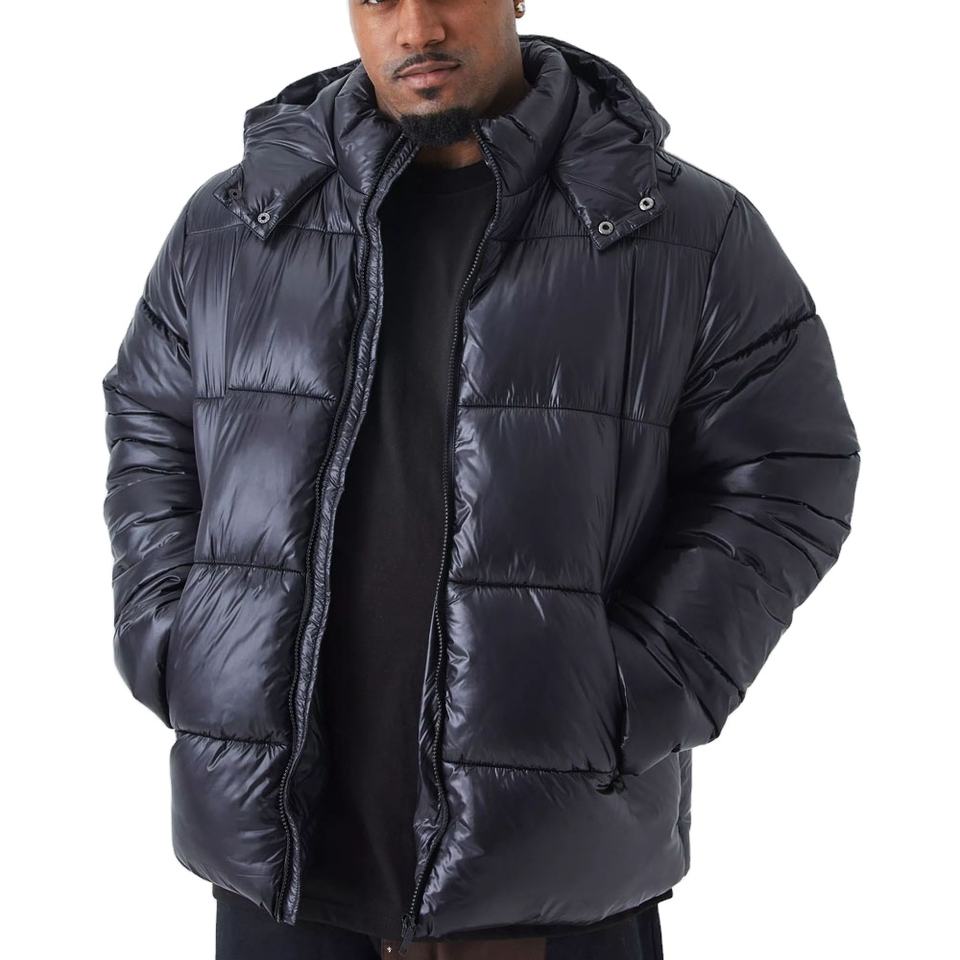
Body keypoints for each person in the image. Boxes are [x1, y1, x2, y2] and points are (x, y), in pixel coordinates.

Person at [100, 3, 860, 959]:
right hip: (279, 869)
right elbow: (149, 424)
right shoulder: (235, 226)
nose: (417, 26)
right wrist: (178, 638)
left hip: (551, 866)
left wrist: (639, 687)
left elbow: (788, 472)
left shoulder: (686, 232)